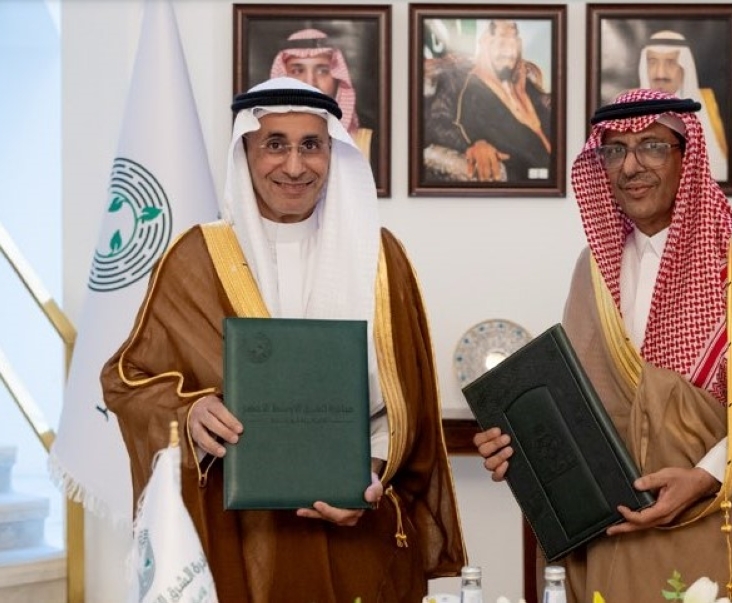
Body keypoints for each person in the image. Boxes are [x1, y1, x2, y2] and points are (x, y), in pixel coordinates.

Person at [102, 77, 466, 602]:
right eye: (275, 144)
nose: (294, 166)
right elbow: (126, 380)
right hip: (237, 538)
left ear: (333, 153)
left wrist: (368, 475)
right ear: (245, 152)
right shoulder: (196, 258)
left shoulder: (381, 259)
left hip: (355, 531)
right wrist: (189, 410)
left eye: (311, 145)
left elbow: (408, 402)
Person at [474, 89, 732, 602]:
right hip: (623, 536)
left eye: (651, 146)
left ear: (686, 157)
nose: (630, 166)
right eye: (614, 151)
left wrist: (705, 477)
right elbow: (580, 412)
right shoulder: (594, 270)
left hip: (727, 525)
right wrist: (520, 451)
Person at [424, 19, 552, 184]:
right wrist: (473, 145)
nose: (508, 52)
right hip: (515, 180)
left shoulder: (523, 83)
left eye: (513, 42)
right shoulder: (459, 78)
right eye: (501, 42)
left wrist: (535, 119)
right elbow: (437, 122)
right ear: (485, 43)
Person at [270, 28, 374, 162]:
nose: (310, 83)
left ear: (337, 78)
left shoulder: (365, 141)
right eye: (297, 71)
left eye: (322, 71)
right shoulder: (260, 135)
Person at [638, 30, 729, 182]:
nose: (660, 74)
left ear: (684, 67)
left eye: (670, 62)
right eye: (652, 62)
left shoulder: (709, 104)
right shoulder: (625, 108)